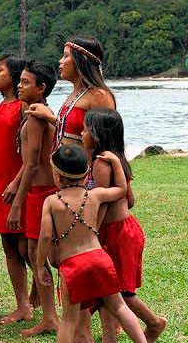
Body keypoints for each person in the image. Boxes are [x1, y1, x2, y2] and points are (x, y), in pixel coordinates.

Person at [25, 35, 117, 342]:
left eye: (65, 57)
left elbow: (104, 139)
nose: (60, 62)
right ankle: (82, 331)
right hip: (69, 184)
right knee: (64, 258)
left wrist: (96, 184)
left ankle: (108, 332)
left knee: (89, 257)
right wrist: (50, 117)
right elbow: (70, 131)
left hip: (88, 185)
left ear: (80, 61)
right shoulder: (75, 93)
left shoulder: (99, 95)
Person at [35, 144, 146, 343]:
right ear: (87, 175)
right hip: (100, 259)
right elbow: (121, 190)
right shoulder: (95, 195)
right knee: (119, 307)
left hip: (72, 266)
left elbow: (44, 237)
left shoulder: (52, 202)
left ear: (58, 177)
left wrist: (40, 265)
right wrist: (115, 163)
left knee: (69, 320)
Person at [82, 109, 167, 342]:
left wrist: (92, 235)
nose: (81, 133)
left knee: (119, 292)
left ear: (97, 135)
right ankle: (109, 335)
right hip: (126, 228)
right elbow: (130, 200)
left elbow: (103, 204)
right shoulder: (117, 159)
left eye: (85, 129)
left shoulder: (102, 164)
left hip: (117, 234)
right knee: (105, 288)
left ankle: (153, 322)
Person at [7, 60, 59, 336]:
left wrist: (17, 205)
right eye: (20, 80)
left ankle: (52, 316)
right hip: (37, 191)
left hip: (42, 192)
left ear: (41, 89)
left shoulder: (38, 116)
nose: (19, 85)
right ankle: (50, 313)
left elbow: (34, 164)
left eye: (26, 82)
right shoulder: (34, 113)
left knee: (44, 255)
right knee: (33, 252)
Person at [0, 54, 35, 324]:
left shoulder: (24, 107)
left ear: (15, 75)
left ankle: (40, 291)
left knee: (27, 247)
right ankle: (23, 306)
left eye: (0, 71)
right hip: (2, 183)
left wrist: (17, 183)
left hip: (19, 183)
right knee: (9, 246)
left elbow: (31, 154)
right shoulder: (3, 105)